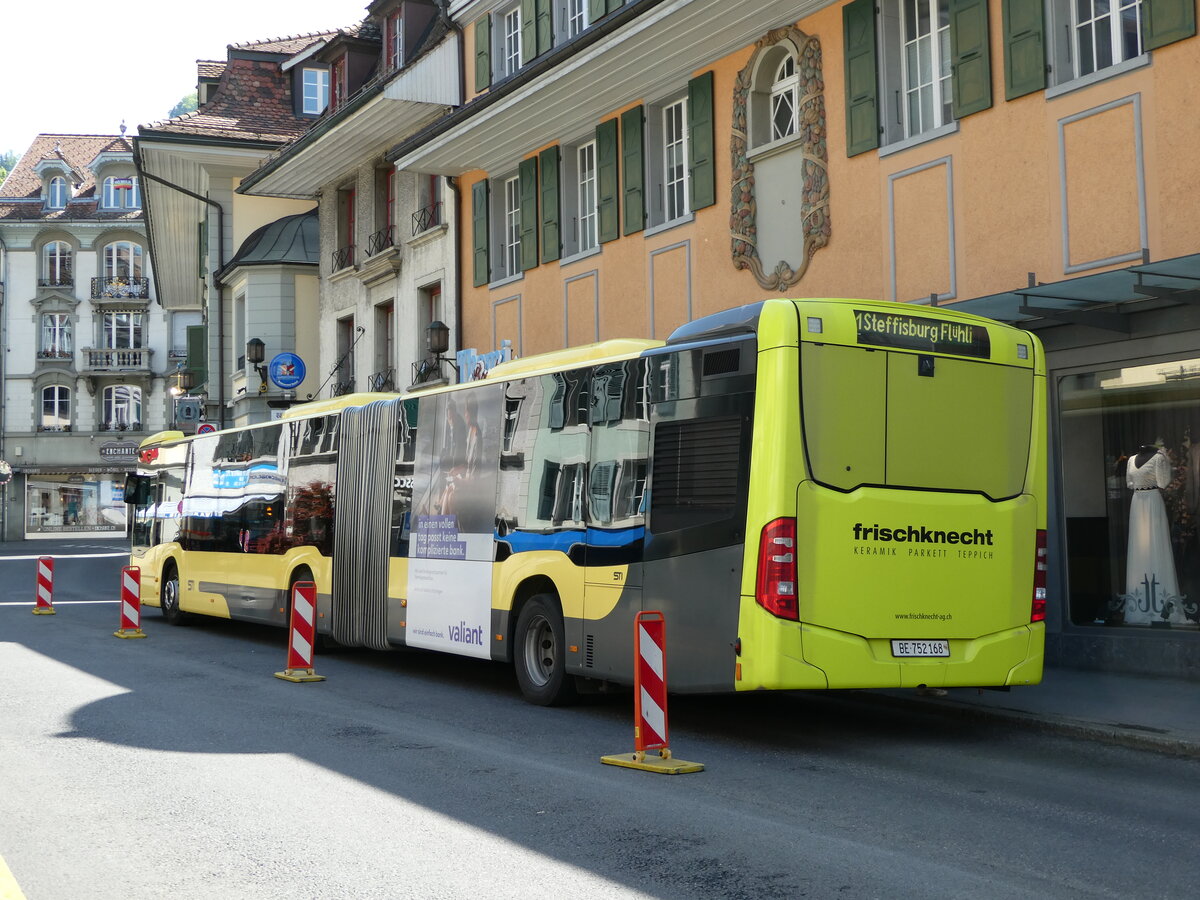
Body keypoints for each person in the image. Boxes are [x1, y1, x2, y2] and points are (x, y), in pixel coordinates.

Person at [1121, 442, 1186, 625]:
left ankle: (1163, 604)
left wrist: (1164, 460)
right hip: (1137, 504)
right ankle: (1140, 604)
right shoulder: (1131, 460)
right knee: (1139, 549)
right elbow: (1129, 483)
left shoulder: (1159, 458)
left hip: (1152, 503)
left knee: (1156, 546)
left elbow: (1163, 482)